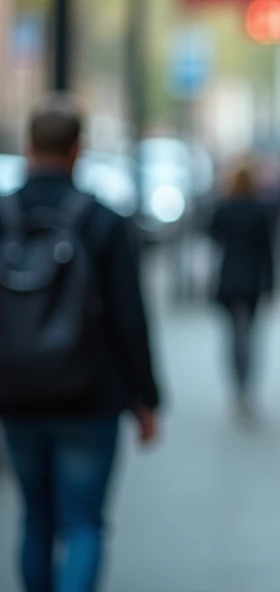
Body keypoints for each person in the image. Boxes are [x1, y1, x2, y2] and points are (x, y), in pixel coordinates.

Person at [0, 97, 160, 592]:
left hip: (16, 393)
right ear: (78, 150)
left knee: (35, 519)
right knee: (84, 522)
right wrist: (145, 399)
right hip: (90, 394)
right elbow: (129, 319)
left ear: (28, 148)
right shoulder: (103, 222)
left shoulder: (3, 216)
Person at [208, 162, 275, 423]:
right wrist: (271, 287)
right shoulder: (261, 210)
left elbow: (209, 240)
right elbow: (268, 252)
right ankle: (247, 386)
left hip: (227, 279)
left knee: (232, 336)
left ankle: (236, 386)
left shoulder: (222, 208)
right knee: (250, 336)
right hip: (252, 281)